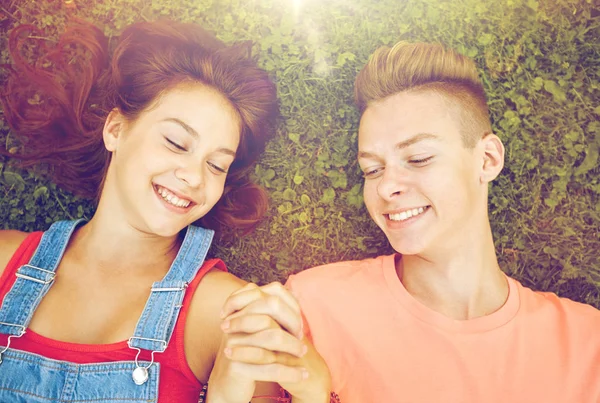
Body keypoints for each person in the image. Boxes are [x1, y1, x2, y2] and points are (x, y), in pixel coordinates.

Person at [0, 19, 331, 403]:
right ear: (116, 130)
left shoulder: (228, 315)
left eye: (216, 165)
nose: (193, 176)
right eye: (176, 142)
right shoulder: (4, 260)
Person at [286, 41, 600, 402]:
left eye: (418, 158)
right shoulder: (312, 308)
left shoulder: (587, 345)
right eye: (372, 170)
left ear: (487, 160)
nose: (386, 186)